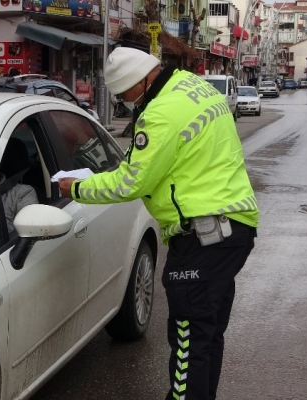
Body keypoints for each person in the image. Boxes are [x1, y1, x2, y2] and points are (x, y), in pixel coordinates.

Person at [58, 47, 259, 400]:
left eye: (124, 94)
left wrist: (75, 187)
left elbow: (130, 182)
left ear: (141, 81)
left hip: (203, 237)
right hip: (234, 228)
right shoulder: (194, 87)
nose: (124, 101)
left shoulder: (161, 113)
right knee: (206, 335)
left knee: (188, 339)